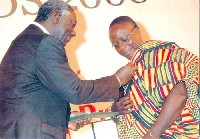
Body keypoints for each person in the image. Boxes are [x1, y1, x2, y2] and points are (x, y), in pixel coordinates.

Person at [0, 1, 138, 138]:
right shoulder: (45, 42)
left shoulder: (26, 40)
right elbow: (75, 90)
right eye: (72, 24)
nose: (74, 33)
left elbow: (28, 94)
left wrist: (66, 118)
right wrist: (117, 80)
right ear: (56, 16)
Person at [109, 16, 199, 139]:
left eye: (125, 39)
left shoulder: (163, 53)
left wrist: (152, 135)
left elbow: (179, 96)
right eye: (116, 45)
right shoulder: (127, 74)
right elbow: (126, 119)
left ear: (137, 31)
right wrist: (115, 110)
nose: (122, 47)